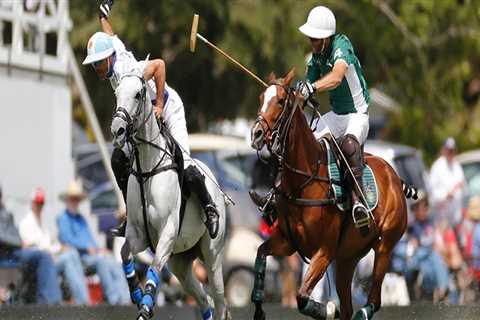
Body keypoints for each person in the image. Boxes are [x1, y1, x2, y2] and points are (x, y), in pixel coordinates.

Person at [82, 0, 219, 239]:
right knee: (118, 159)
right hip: (144, 117)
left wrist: (159, 105)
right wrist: (103, 14)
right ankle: (131, 214)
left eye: (97, 64)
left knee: (186, 166)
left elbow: (159, 65)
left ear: (109, 59)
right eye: (93, 65)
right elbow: (109, 35)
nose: (96, 69)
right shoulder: (114, 53)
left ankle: (209, 208)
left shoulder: (128, 70)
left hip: (168, 108)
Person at [250, 6, 371, 234]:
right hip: (336, 116)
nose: (311, 42)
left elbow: (335, 78)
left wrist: (311, 87)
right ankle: (276, 197)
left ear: (326, 38)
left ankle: (358, 202)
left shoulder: (341, 46)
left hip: (357, 114)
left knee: (349, 145)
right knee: (303, 146)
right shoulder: (316, 58)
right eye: (310, 38)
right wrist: (287, 93)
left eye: (315, 38)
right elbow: (304, 92)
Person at [56, 180, 130, 305]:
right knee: (101, 260)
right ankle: (113, 299)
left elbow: (91, 241)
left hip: (90, 257)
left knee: (111, 260)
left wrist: (98, 249)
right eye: (73, 199)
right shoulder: (62, 218)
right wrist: (87, 248)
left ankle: (124, 299)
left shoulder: (81, 220)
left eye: (76, 199)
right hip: (78, 257)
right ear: (67, 200)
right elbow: (66, 239)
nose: (75, 202)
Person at [19, 187, 90, 305]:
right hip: (42, 262)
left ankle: (83, 299)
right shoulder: (26, 223)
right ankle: (82, 301)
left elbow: (50, 244)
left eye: (41, 203)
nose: (39, 206)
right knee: (69, 258)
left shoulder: (42, 224)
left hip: (50, 258)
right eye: (38, 203)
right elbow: (29, 247)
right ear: (32, 203)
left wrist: (61, 248)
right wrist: (53, 251)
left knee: (72, 253)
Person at [0, 183, 62, 304]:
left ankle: (49, 301)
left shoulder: (6, 213)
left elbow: (14, 234)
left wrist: (19, 242)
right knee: (43, 256)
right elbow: (3, 237)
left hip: (14, 251)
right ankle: (49, 302)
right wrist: (20, 243)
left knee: (43, 255)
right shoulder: (22, 219)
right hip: (7, 253)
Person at [406, 190, 450, 302]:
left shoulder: (430, 222)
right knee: (428, 268)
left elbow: (436, 240)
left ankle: (442, 289)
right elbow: (412, 244)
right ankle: (438, 289)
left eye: (425, 206)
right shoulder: (412, 225)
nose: (422, 210)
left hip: (431, 254)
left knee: (437, 261)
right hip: (419, 256)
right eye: (419, 207)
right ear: (414, 209)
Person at [429, 137, 465, 228]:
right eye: (449, 150)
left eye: (452, 150)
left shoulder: (457, 165)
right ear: (443, 150)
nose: (451, 153)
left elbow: (462, 184)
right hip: (442, 217)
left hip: (456, 217)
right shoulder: (437, 166)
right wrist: (445, 195)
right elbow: (432, 192)